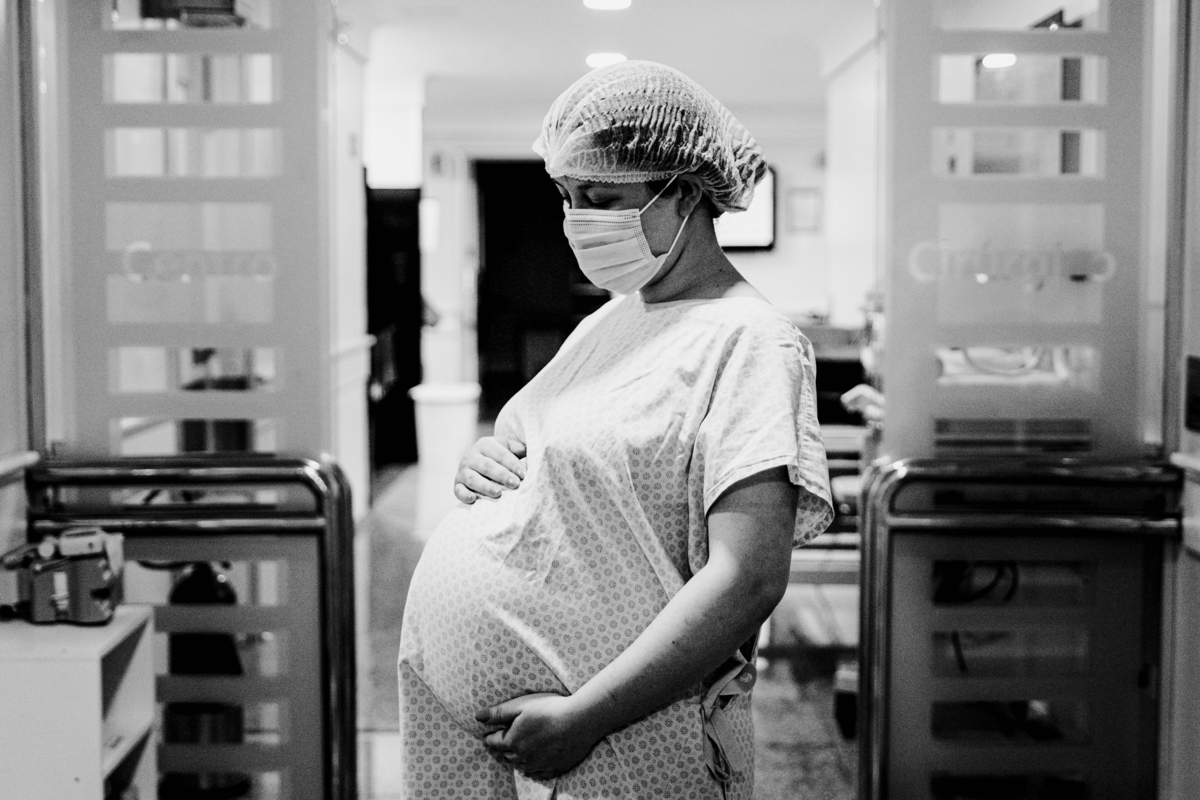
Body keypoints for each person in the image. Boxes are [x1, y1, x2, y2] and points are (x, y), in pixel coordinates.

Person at [397, 61, 833, 799]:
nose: (577, 219)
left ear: (687, 191)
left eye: (602, 197)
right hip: (508, 722)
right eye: (568, 196)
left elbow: (749, 576)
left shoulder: (750, 341)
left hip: (626, 733)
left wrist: (584, 716)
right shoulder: (613, 318)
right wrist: (482, 462)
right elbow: (547, 447)